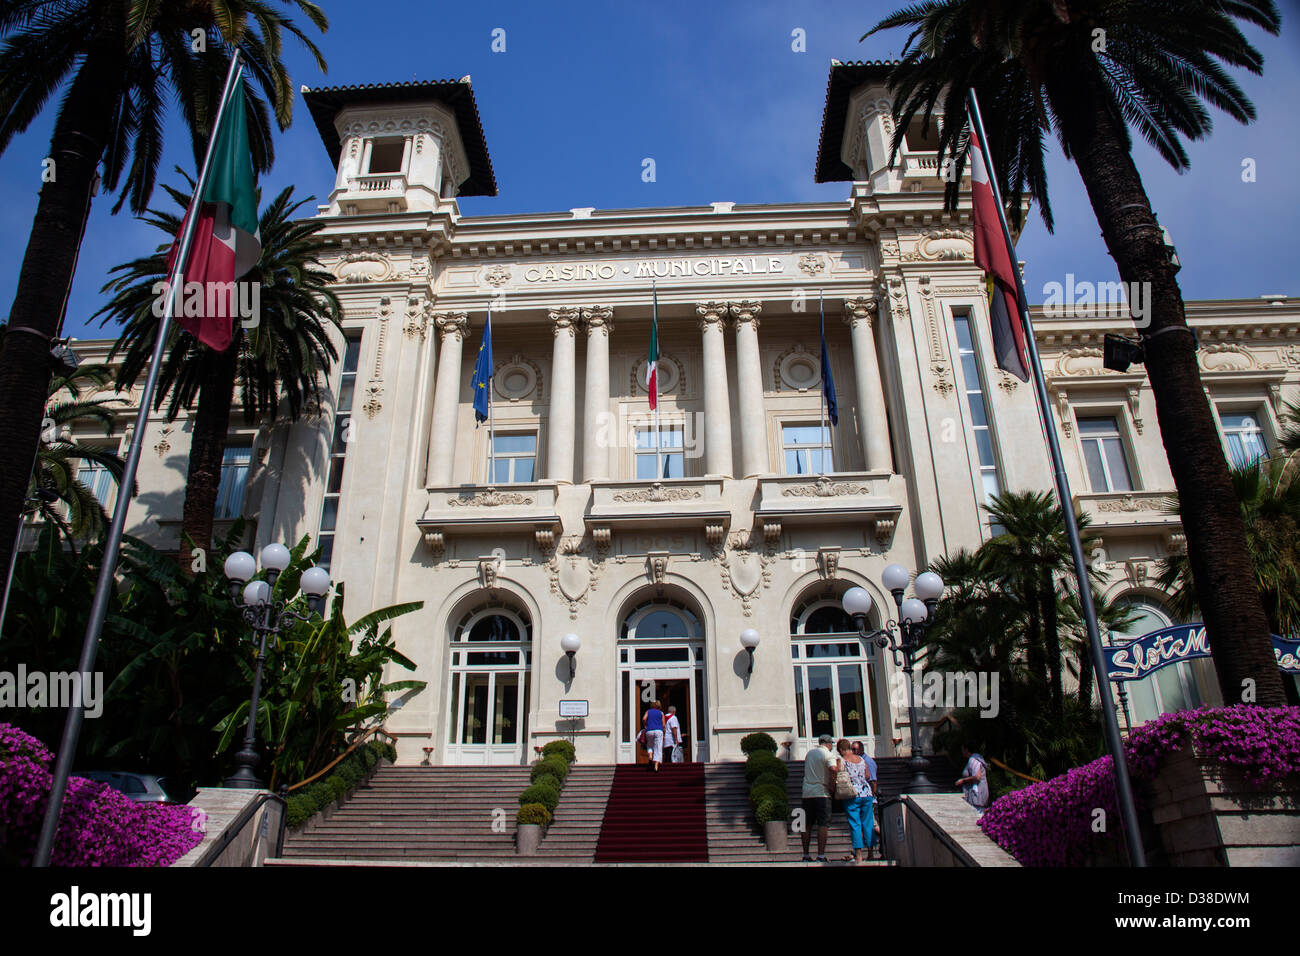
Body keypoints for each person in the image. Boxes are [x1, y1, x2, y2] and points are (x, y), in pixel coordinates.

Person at [837, 739, 878, 863]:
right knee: (868, 823)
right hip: (866, 794)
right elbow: (867, 776)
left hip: (851, 794)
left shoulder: (842, 761)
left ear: (840, 750)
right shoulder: (862, 759)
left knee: (855, 824)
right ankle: (871, 852)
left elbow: (838, 774)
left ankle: (859, 855)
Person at [800, 734, 840, 862]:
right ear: (828, 744)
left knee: (806, 824)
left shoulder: (810, 753)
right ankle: (821, 855)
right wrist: (832, 785)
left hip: (807, 792)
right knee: (823, 824)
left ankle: (806, 854)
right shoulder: (828, 754)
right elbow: (833, 769)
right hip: (822, 792)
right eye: (831, 744)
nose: (832, 746)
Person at [956, 742, 990, 812]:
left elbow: (977, 777)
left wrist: (963, 780)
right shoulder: (973, 759)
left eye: (962, 749)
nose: (962, 752)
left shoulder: (973, 760)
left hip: (977, 796)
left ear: (966, 750)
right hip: (976, 797)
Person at [643, 700, 665, 772]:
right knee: (658, 748)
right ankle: (656, 765)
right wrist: (664, 732)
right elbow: (663, 724)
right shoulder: (661, 713)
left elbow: (644, 719)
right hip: (658, 730)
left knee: (649, 745)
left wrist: (646, 725)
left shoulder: (648, 711)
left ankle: (650, 756)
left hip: (649, 730)